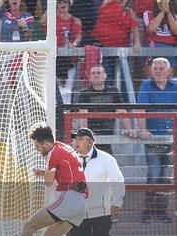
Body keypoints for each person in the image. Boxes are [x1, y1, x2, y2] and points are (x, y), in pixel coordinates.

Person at [0, 123, 88, 236]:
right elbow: (67, 172)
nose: (37, 149)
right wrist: (45, 172)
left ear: (45, 144)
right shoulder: (64, 147)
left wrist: (46, 174)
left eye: (37, 146)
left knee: (29, 225)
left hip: (68, 198)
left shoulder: (53, 154)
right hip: (80, 204)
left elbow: (48, 183)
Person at [70, 128, 125, 236]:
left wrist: (116, 202)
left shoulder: (106, 159)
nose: (76, 142)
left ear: (90, 141)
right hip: (78, 212)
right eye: (76, 139)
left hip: (101, 211)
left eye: (80, 139)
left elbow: (118, 181)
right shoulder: (71, 159)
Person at [137, 57, 177, 224]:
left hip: (172, 139)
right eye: (156, 68)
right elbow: (141, 110)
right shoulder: (146, 85)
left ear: (169, 71)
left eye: (162, 68)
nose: (158, 71)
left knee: (166, 177)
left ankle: (162, 211)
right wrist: (143, 130)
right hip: (153, 139)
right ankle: (148, 211)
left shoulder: (175, 86)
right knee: (153, 175)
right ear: (151, 71)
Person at [73, 64, 135, 155]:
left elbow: (121, 112)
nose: (96, 75)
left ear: (105, 76)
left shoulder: (113, 91)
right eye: (93, 73)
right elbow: (83, 115)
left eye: (99, 72)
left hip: (107, 134)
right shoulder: (84, 93)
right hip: (92, 135)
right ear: (89, 77)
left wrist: (129, 129)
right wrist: (85, 134)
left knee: (108, 164)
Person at [92, 0, 142, 87]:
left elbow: (135, 27)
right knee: (107, 77)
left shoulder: (129, 12)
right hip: (105, 48)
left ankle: (125, 99)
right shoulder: (108, 5)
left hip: (122, 50)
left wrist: (137, 43)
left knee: (125, 78)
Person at [142, 0, 177, 70]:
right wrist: (162, 12)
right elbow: (151, 29)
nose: (163, 4)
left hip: (170, 47)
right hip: (153, 46)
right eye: (161, 2)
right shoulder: (148, 14)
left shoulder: (175, 16)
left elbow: (175, 31)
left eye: (166, 2)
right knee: (151, 71)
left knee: (170, 73)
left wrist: (169, 12)